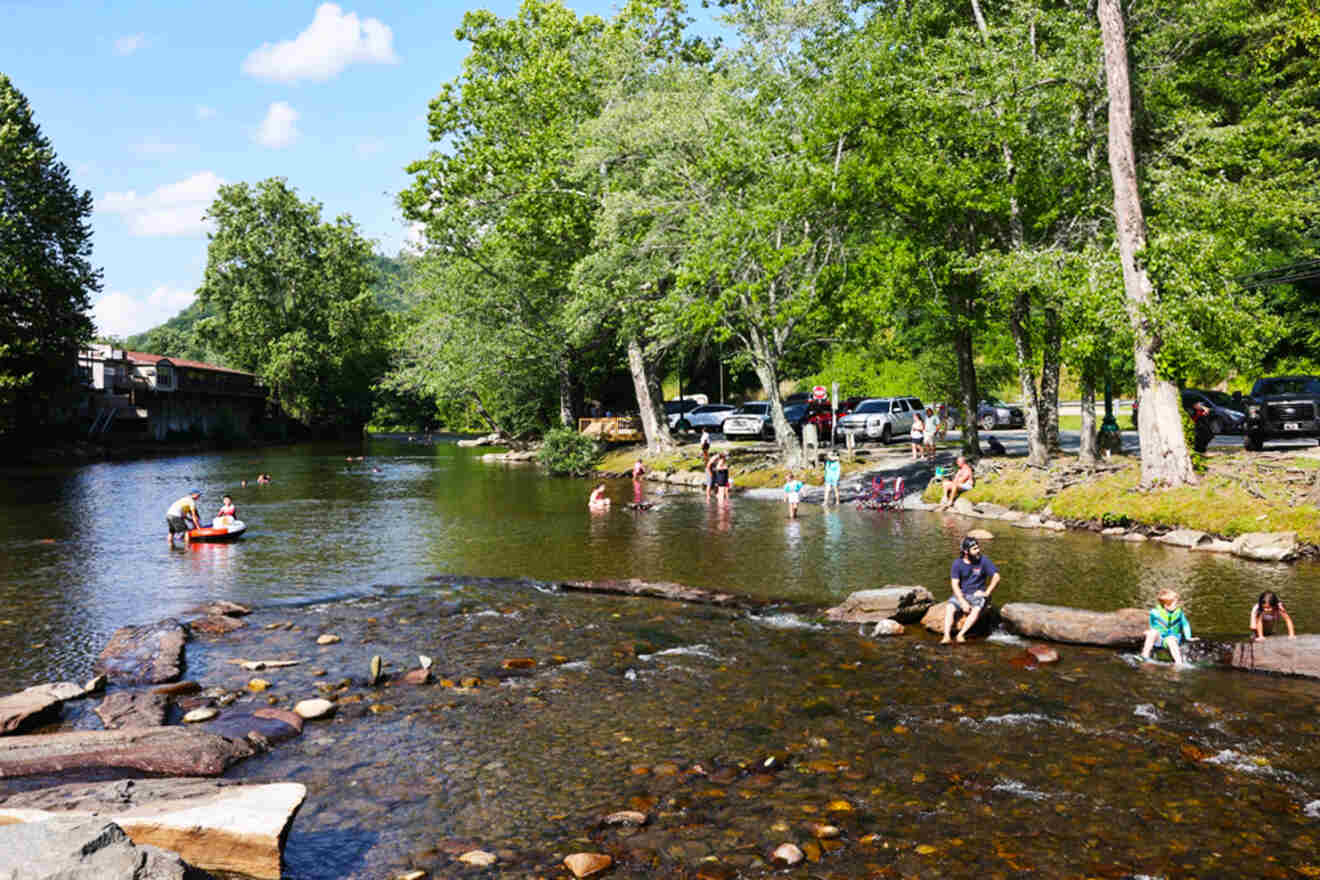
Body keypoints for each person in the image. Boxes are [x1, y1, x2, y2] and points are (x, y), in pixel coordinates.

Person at [942, 536, 1000, 643]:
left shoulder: (984, 560)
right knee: (949, 607)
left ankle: (961, 634)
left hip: (977, 595)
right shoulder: (957, 563)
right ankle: (946, 636)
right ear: (965, 551)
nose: (978, 550)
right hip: (963, 594)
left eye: (978, 547)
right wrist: (962, 601)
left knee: (976, 610)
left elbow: (996, 577)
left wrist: (987, 592)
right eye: (974, 549)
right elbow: (954, 584)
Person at [1141, 588, 1194, 664]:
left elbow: (1185, 624)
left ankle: (1179, 662)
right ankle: (1144, 655)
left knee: (1171, 640)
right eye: (1174, 603)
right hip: (1159, 639)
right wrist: (1149, 630)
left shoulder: (1179, 613)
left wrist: (1188, 636)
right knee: (1152, 633)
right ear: (1166, 605)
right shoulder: (1154, 612)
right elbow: (1151, 622)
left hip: (1172, 638)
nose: (1177, 605)